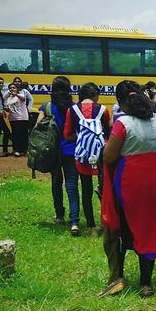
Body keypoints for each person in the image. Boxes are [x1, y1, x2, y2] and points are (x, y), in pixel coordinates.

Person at [99, 81, 156, 297]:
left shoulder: (123, 123)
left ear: (120, 101)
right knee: (149, 228)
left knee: (120, 228)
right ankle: (146, 282)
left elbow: (109, 156)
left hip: (131, 181)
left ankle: (117, 278)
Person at [71, 82, 111, 231]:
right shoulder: (103, 110)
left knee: (86, 190)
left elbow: (68, 133)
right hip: (101, 154)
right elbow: (107, 132)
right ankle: (106, 222)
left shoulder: (73, 110)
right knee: (105, 189)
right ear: (95, 95)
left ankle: (91, 226)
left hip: (82, 154)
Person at [45, 77, 82, 235]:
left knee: (56, 183)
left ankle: (59, 215)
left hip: (53, 152)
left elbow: (39, 129)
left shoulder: (47, 107)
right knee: (72, 185)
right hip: (71, 151)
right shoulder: (75, 108)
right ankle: (74, 222)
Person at [3, 78, 32, 156]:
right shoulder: (9, 97)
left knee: (23, 134)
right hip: (13, 118)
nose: (12, 89)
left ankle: (24, 150)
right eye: (11, 88)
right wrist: (9, 93)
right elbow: (4, 99)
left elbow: (23, 99)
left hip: (22, 118)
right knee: (15, 135)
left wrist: (15, 93)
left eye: (14, 88)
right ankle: (16, 149)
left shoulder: (21, 94)